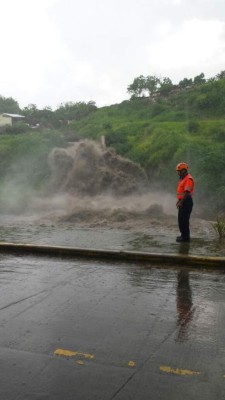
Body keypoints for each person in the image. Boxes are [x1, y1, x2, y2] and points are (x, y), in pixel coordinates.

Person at [176, 162, 194, 242]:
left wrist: (181, 202)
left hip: (186, 201)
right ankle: (183, 235)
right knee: (180, 220)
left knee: (184, 220)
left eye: (179, 171)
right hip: (183, 201)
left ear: (184, 171)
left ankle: (186, 238)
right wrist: (179, 201)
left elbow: (187, 193)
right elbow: (181, 192)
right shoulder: (183, 179)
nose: (178, 173)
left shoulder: (188, 179)